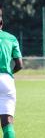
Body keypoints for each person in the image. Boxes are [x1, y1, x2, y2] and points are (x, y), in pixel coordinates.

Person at [0, 7, 23, 138]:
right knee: (7, 121)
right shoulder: (11, 38)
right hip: (6, 80)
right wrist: (9, 73)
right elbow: (20, 65)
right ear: (2, 23)